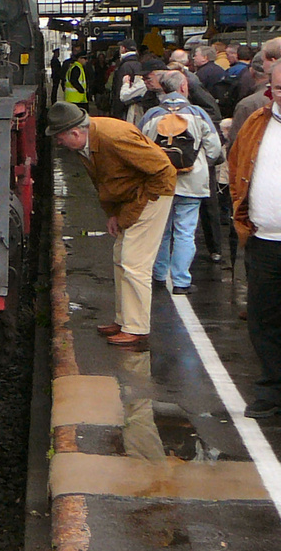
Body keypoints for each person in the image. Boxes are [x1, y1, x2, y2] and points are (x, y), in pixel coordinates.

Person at [47, 101, 176, 348]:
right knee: (121, 257)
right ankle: (125, 320)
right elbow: (106, 182)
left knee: (133, 262)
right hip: (131, 199)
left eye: (59, 138)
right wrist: (115, 213)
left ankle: (137, 329)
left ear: (75, 132)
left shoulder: (114, 137)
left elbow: (163, 170)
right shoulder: (86, 144)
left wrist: (143, 203)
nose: (58, 143)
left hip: (151, 195)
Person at [226, 59, 281, 418]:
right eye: (279, 89)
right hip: (264, 242)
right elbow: (236, 167)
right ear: (269, 88)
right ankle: (272, 390)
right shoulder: (256, 123)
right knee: (264, 319)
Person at [140, 71, 224, 293]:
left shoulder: (151, 114)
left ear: (163, 89)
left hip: (160, 182)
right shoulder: (198, 114)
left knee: (161, 230)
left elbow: (139, 147)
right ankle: (181, 281)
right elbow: (214, 149)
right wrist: (202, 162)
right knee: (185, 231)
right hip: (192, 182)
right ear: (184, 87)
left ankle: (159, 275)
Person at [109, 40, 144, 119]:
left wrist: (117, 112)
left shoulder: (125, 66)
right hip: (135, 104)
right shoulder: (139, 64)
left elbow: (119, 89)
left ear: (123, 49)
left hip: (126, 108)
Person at [62, 43, 89, 109]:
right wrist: (81, 90)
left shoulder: (77, 67)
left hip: (76, 99)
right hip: (76, 99)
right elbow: (73, 80)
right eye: (84, 58)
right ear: (79, 59)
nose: (86, 60)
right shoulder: (76, 68)